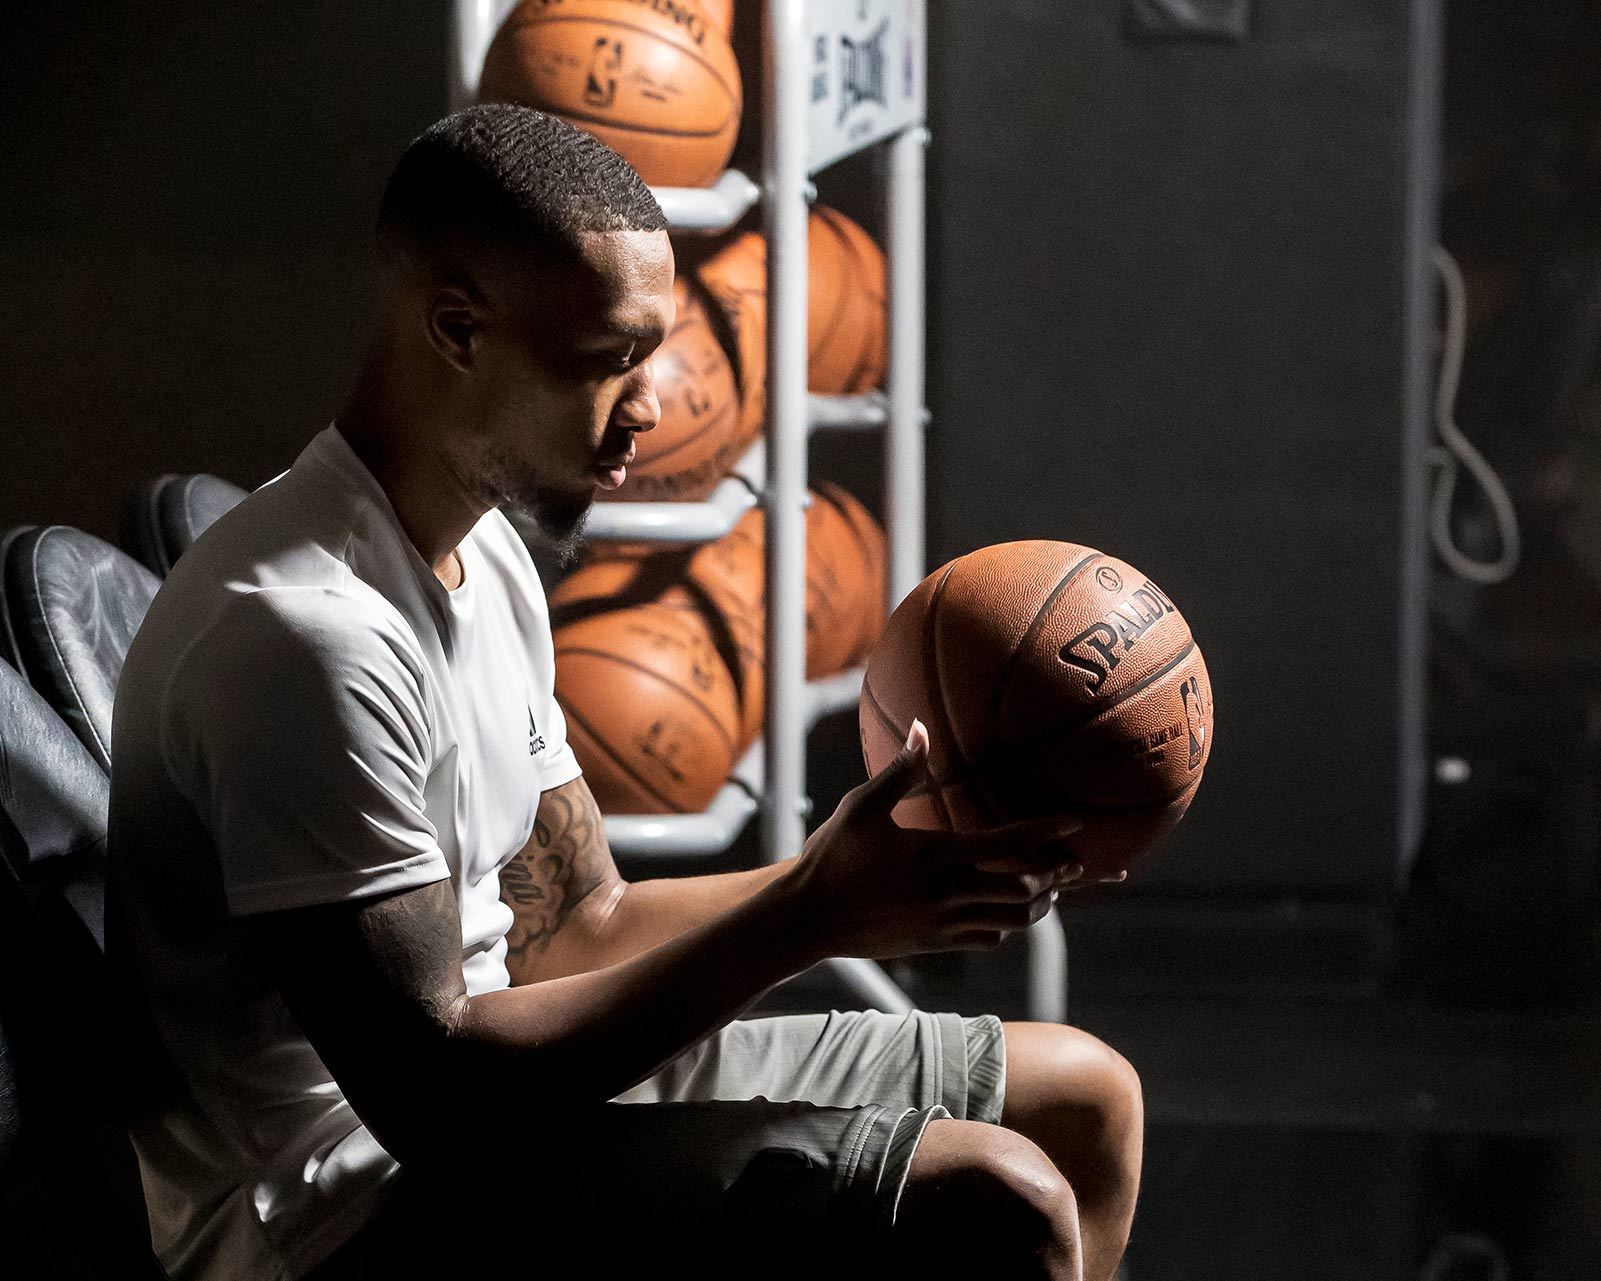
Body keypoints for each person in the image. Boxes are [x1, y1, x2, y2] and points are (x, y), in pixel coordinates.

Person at [109, 105, 1142, 1281]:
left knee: (1082, 1099)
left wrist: (889, 869)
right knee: (995, 1203)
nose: (647, 409)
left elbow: (571, 931)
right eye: (605, 360)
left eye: (652, 353)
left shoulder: (481, 550)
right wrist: (818, 914)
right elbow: (434, 1103)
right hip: (338, 1211)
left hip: (494, 1103)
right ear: (456, 330)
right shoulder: (306, 640)